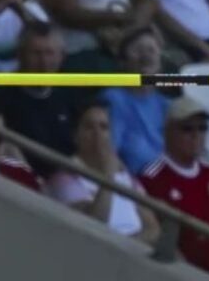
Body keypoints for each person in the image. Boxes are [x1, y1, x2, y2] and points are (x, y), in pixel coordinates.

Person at [47, 100, 160, 246]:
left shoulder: (127, 178)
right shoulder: (64, 179)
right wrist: (108, 174)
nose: (98, 134)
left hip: (130, 255)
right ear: (76, 136)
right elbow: (93, 226)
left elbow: (153, 228)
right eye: (89, 127)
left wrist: (127, 247)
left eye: (104, 127)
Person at [140, 96, 209, 271]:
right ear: (167, 132)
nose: (196, 135)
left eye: (202, 128)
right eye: (187, 129)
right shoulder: (152, 177)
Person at [0, 23, 76, 174]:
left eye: (50, 53)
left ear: (62, 56)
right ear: (20, 55)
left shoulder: (68, 95)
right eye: (36, 53)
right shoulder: (1, 97)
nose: (44, 62)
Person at [100, 27, 173, 175]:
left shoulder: (167, 105)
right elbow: (108, 153)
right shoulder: (114, 99)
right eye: (138, 50)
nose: (146, 56)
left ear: (160, 62)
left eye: (151, 50)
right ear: (123, 62)